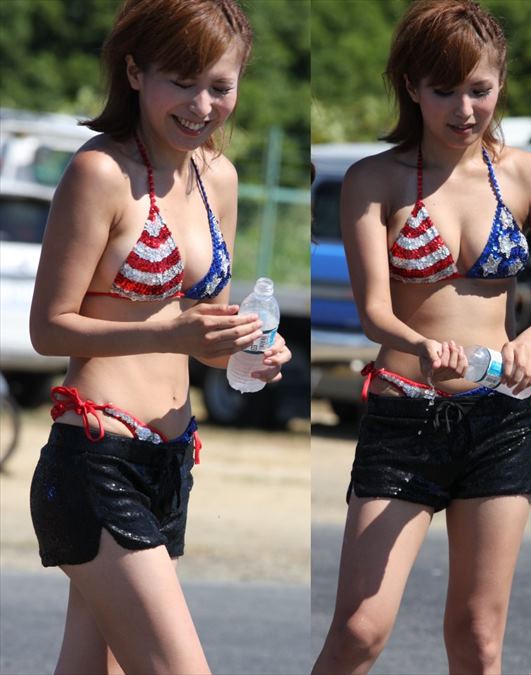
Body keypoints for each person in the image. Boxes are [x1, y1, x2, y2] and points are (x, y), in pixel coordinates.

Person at [312, 1, 531, 672]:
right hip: (405, 413)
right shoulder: (372, 179)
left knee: (478, 637)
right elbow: (374, 310)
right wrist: (421, 344)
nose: (464, 109)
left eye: (479, 89)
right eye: (444, 90)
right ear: (412, 87)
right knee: (359, 630)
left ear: (500, 82)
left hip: (500, 420)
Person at [28, 1, 291, 672]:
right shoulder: (100, 172)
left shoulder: (219, 179)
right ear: (135, 73)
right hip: (97, 458)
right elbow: (47, 327)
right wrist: (170, 331)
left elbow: (206, 337)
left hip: (171, 463)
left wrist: (249, 351)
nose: (202, 105)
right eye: (182, 81)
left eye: (220, 86)